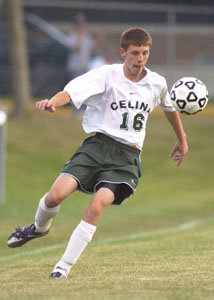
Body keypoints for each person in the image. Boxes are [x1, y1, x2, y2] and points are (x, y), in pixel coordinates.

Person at [7, 27, 188, 279]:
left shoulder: (156, 83)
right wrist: (53, 102)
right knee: (54, 197)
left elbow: (169, 107)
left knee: (97, 205)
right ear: (123, 53)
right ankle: (38, 228)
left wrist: (181, 138)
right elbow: (71, 92)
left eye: (145, 53)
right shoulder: (107, 75)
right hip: (96, 147)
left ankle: (62, 269)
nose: (140, 59)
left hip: (126, 158)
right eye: (135, 53)